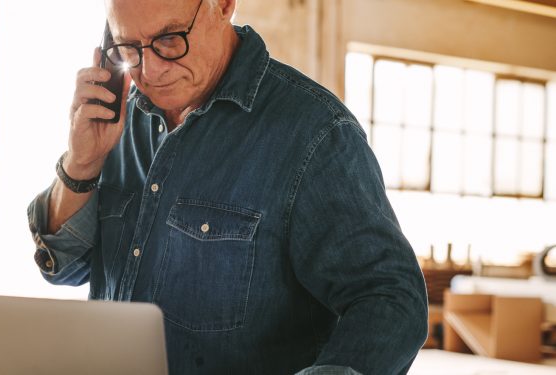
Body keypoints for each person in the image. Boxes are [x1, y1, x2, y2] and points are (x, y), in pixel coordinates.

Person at [26, 0, 428, 373]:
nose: (149, 71)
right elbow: (65, 269)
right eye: (127, 47)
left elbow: (391, 299)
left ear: (224, 4)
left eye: (169, 40)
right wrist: (82, 164)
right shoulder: (116, 120)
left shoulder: (315, 133)